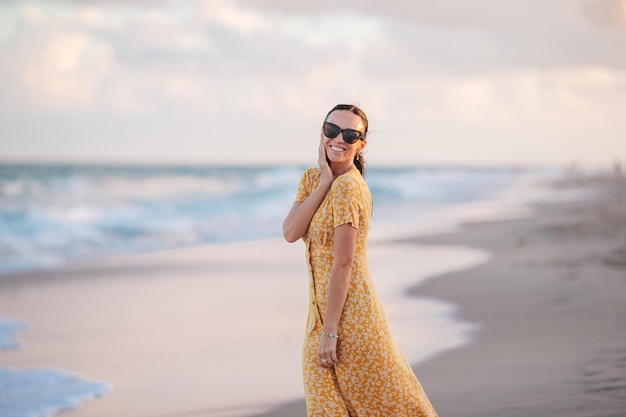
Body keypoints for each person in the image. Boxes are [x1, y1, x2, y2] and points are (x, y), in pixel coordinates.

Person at [282, 104, 438, 416]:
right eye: (332, 130)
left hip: (349, 319)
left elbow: (344, 262)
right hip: (321, 314)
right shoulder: (314, 179)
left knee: (377, 404)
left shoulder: (350, 188)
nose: (339, 138)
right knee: (332, 406)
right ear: (322, 133)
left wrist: (330, 332)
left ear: (361, 144)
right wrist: (325, 181)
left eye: (351, 134)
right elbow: (290, 231)